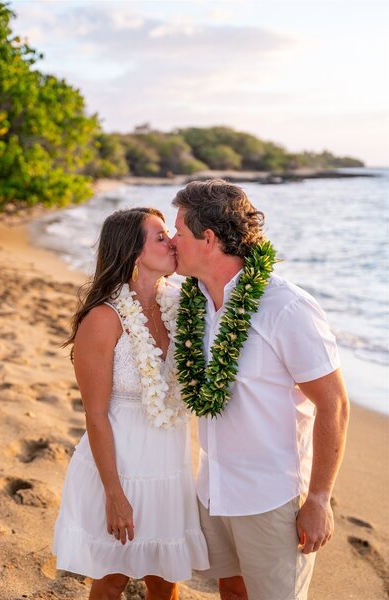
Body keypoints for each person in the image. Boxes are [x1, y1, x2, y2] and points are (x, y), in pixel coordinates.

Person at [170, 180, 350, 600]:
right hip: (213, 488)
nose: (173, 241)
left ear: (208, 239)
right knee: (231, 591)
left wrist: (320, 498)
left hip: (272, 497)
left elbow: (334, 404)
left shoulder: (286, 307)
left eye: (179, 232)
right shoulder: (195, 300)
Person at [53, 207, 209, 600]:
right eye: (160, 237)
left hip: (168, 465)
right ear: (133, 252)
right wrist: (114, 493)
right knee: (112, 578)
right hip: (118, 465)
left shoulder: (179, 304)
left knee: (165, 577)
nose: (172, 242)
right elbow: (95, 413)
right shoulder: (103, 319)